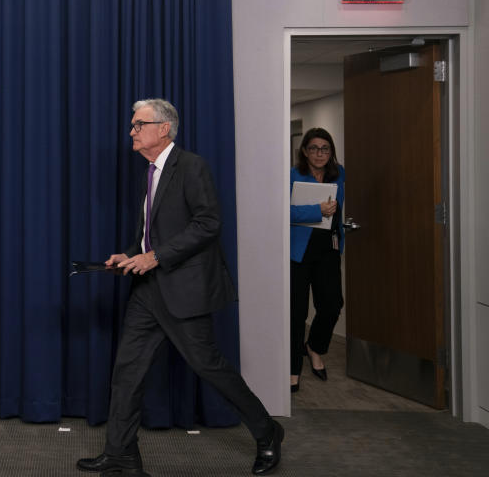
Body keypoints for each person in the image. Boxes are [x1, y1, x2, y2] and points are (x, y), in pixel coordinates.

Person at [78, 99, 283, 476]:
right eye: (133, 125)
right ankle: (121, 453)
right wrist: (128, 256)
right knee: (127, 371)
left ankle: (268, 432)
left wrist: (154, 257)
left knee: (210, 368)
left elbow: (208, 224)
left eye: (139, 125)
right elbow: (152, 234)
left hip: (184, 290)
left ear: (164, 129)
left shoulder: (191, 166)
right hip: (148, 291)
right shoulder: (150, 172)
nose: (132, 132)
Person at [289, 128, 345, 393]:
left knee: (332, 305)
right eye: (314, 148)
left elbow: (339, 209)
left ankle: (314, 347)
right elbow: (280, 210)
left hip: (328, 249)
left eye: (325, 148)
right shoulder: (292, 175)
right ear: (304, 151)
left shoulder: (339, 174)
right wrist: (316, 210)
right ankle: (292, 369)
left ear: (331, 152)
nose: (320, 154)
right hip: (298, 252)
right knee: (296, 313)